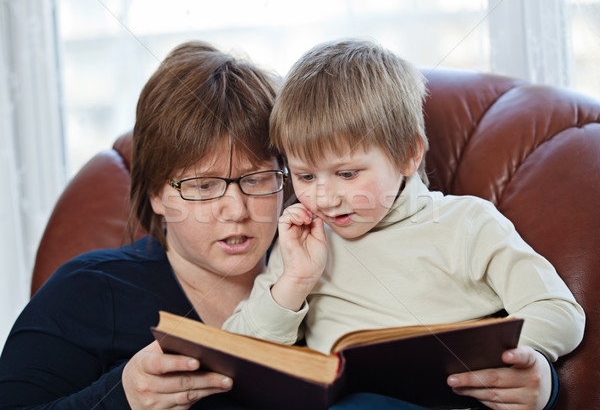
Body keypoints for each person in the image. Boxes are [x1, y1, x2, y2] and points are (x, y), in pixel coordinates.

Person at [0, 40, 444, 410]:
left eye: (256, 179)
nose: (236, 209)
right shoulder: (88, 290)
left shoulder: (336, 258)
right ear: (156, 192)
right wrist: (120, 396)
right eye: (203, 186)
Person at [223, 39, 586, 410]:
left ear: (409, 155)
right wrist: (294, 282)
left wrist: (522, 360)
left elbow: (559, 312)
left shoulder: (466, 223)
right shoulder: (302, 243)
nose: (324, 198)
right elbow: (236, 351)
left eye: (347, 173)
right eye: (305, 176)